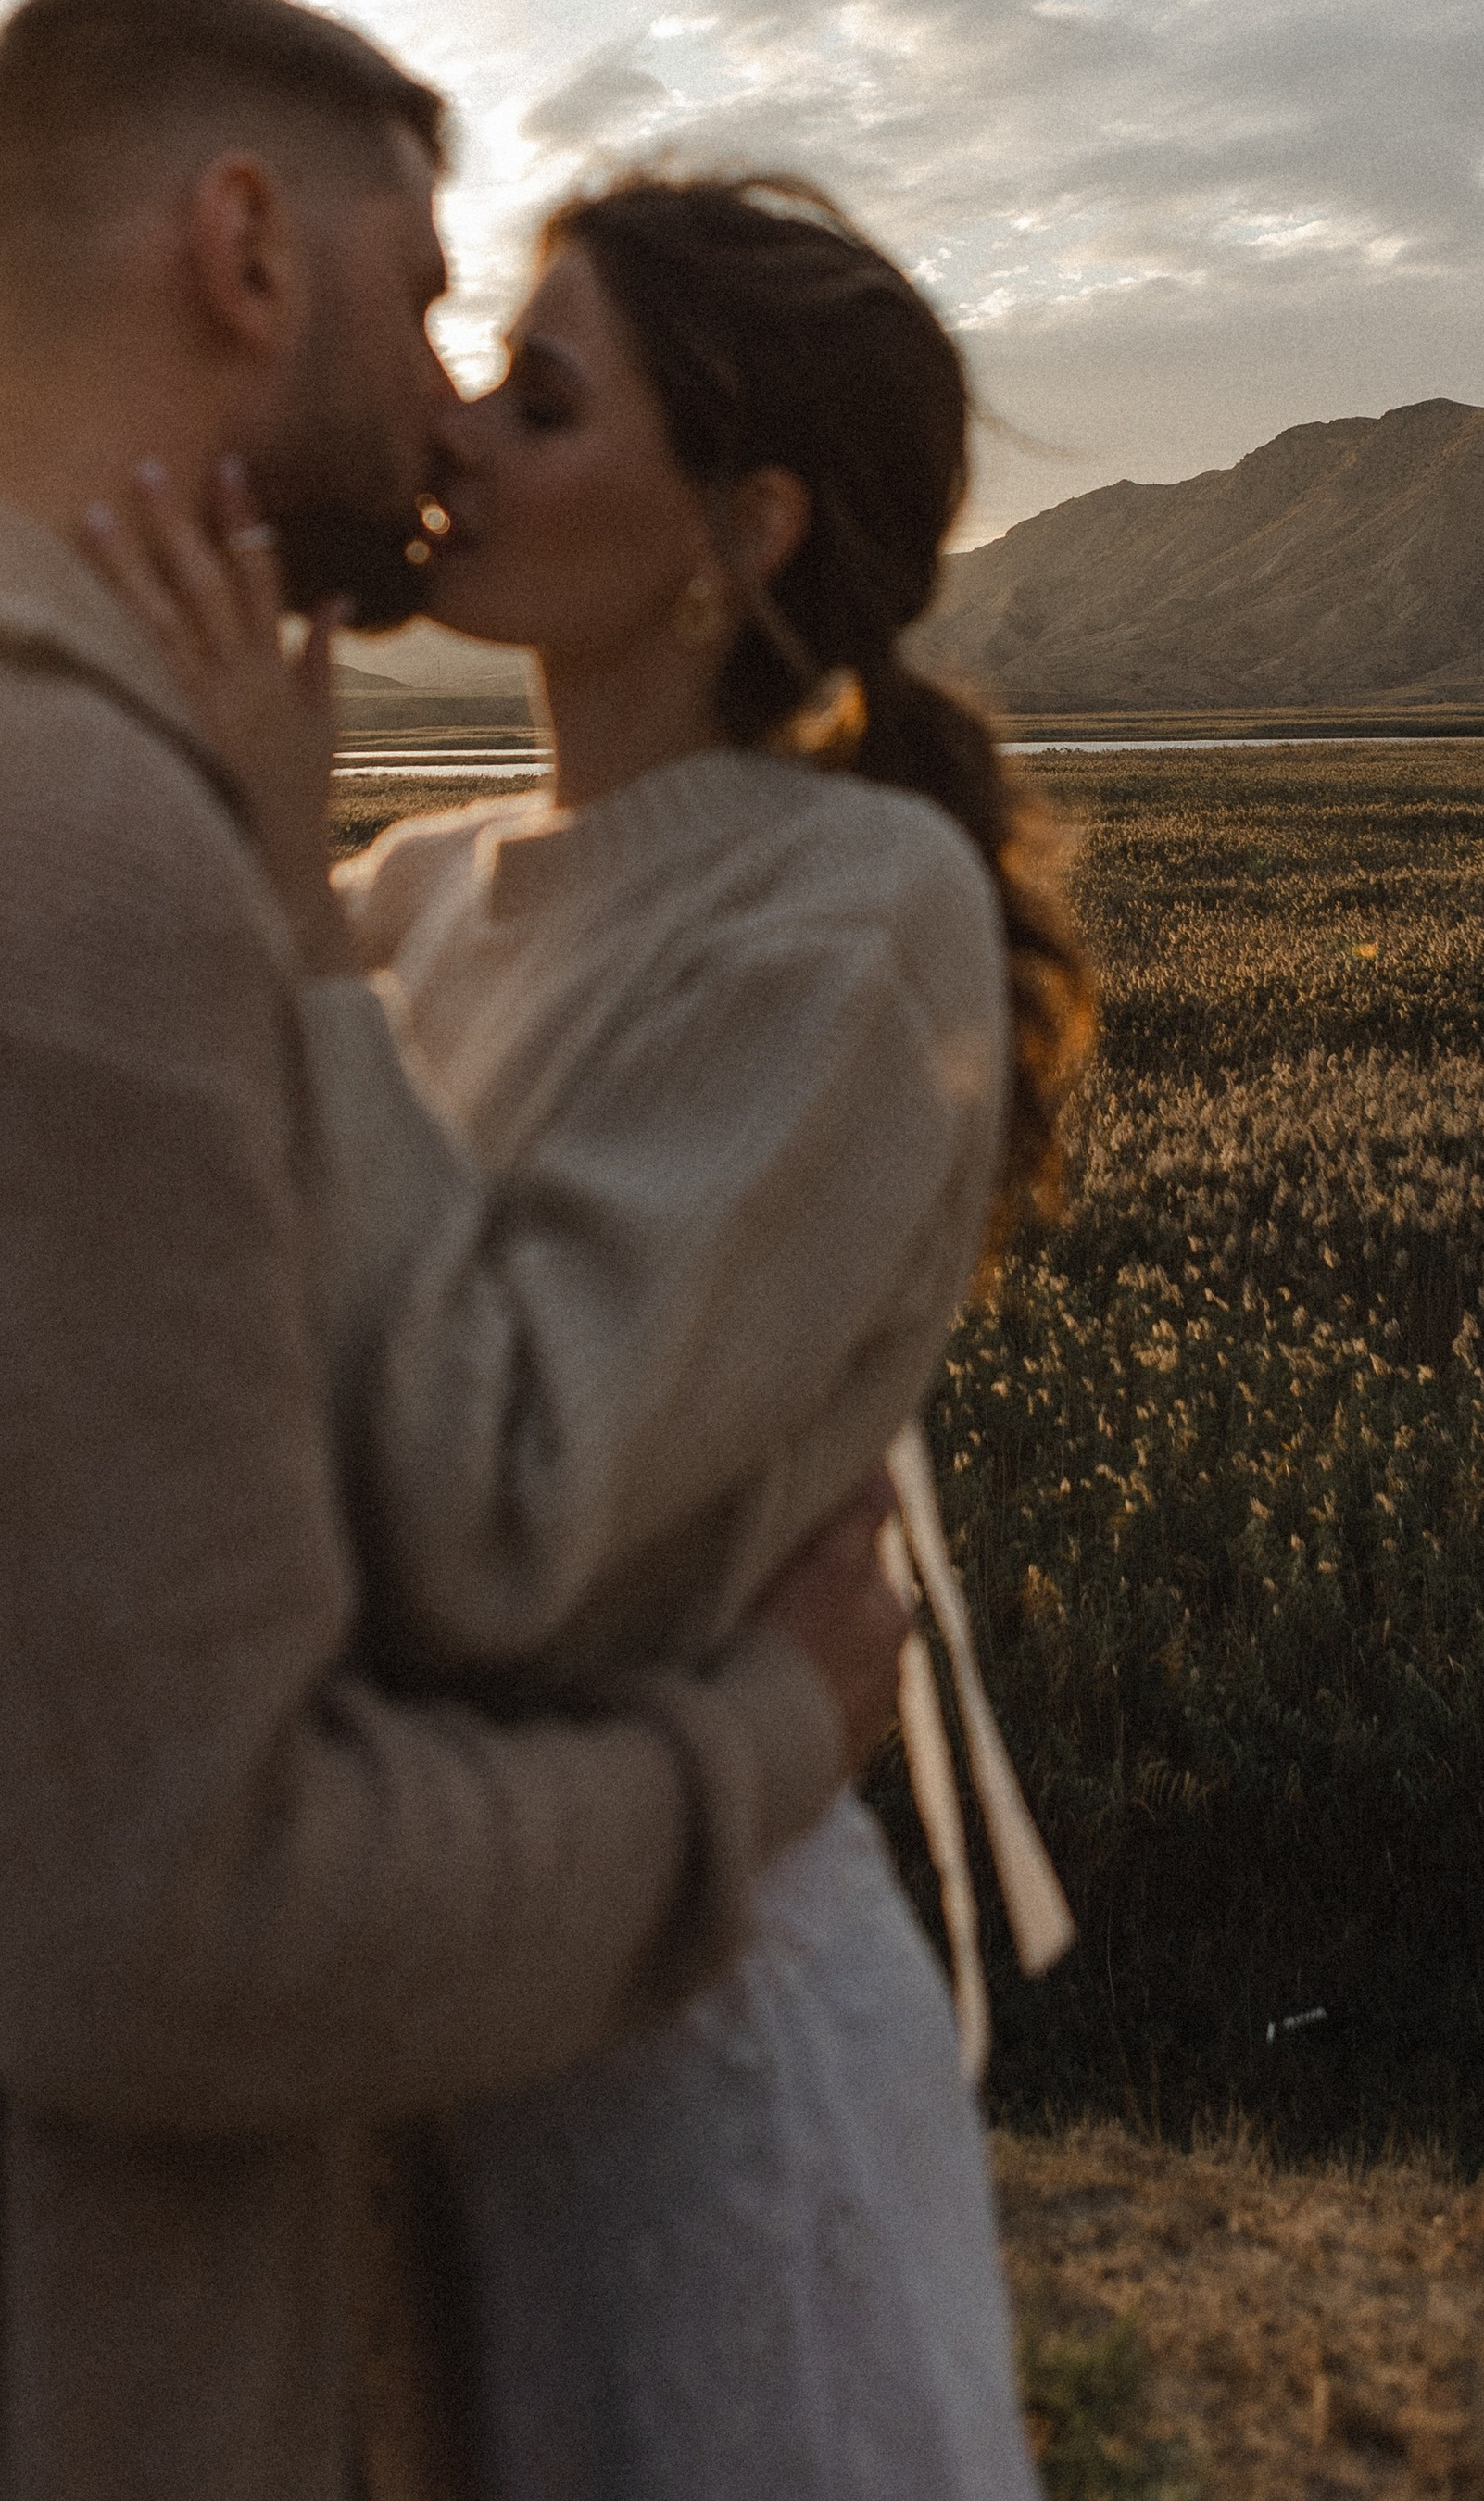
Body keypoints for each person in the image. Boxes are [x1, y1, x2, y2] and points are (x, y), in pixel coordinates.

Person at [0, 0, 912, 2501]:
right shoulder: (39, 874)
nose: (441, 404)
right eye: (424, 299)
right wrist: (751, 1744)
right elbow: (185, 1927)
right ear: (241, 250)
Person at [92, 169, 1094, 2499]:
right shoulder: (421, 885)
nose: (451, 431)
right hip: (457, 2017)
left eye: (538, 400)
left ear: (738, 527)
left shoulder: (856, 916)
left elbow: (493, 1521)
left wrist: (278, 912)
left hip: (699, 2084)